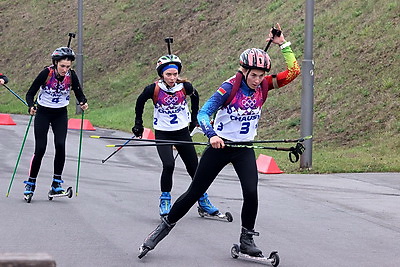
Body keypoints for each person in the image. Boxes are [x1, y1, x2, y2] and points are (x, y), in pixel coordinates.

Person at [138, 24, 301, 258]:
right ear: (244, 71)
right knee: (195, 191)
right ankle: (162, 230)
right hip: (219, 147)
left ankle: (247, 239)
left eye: (261, 75)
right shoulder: (229, 88)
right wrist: (211, 135)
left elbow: (294, 72)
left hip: (244, 148)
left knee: (251, 192)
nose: (257, 80)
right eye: (253, 75)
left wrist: (283, 44)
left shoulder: (264, 86)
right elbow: (203, 113)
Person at [132, 53, 219, 216]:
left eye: (175, 74)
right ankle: (165, 200)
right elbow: (140, 102)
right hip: (163, 133)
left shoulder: (185, 87)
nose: (172, 78)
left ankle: (202, 200)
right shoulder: (154, 88)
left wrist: (194, 119)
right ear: (161, 74)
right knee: (169, 165)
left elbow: (195, 96)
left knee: (195, 168)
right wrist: (138, 124)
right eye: (168, 74)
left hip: (182, 133)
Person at [24, 47, 88, 200]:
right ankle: (31, 183)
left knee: (60, 145)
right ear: (55, 63)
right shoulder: (46, 73)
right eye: (62, 66)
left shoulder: (71, 76)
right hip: (43, 113)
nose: (65, 69)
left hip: (60, 114)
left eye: (68, 66)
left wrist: (83, 102)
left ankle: (56, 184)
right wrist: (31, 105)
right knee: (40, 148)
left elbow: (79, 94)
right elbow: (30, 93)